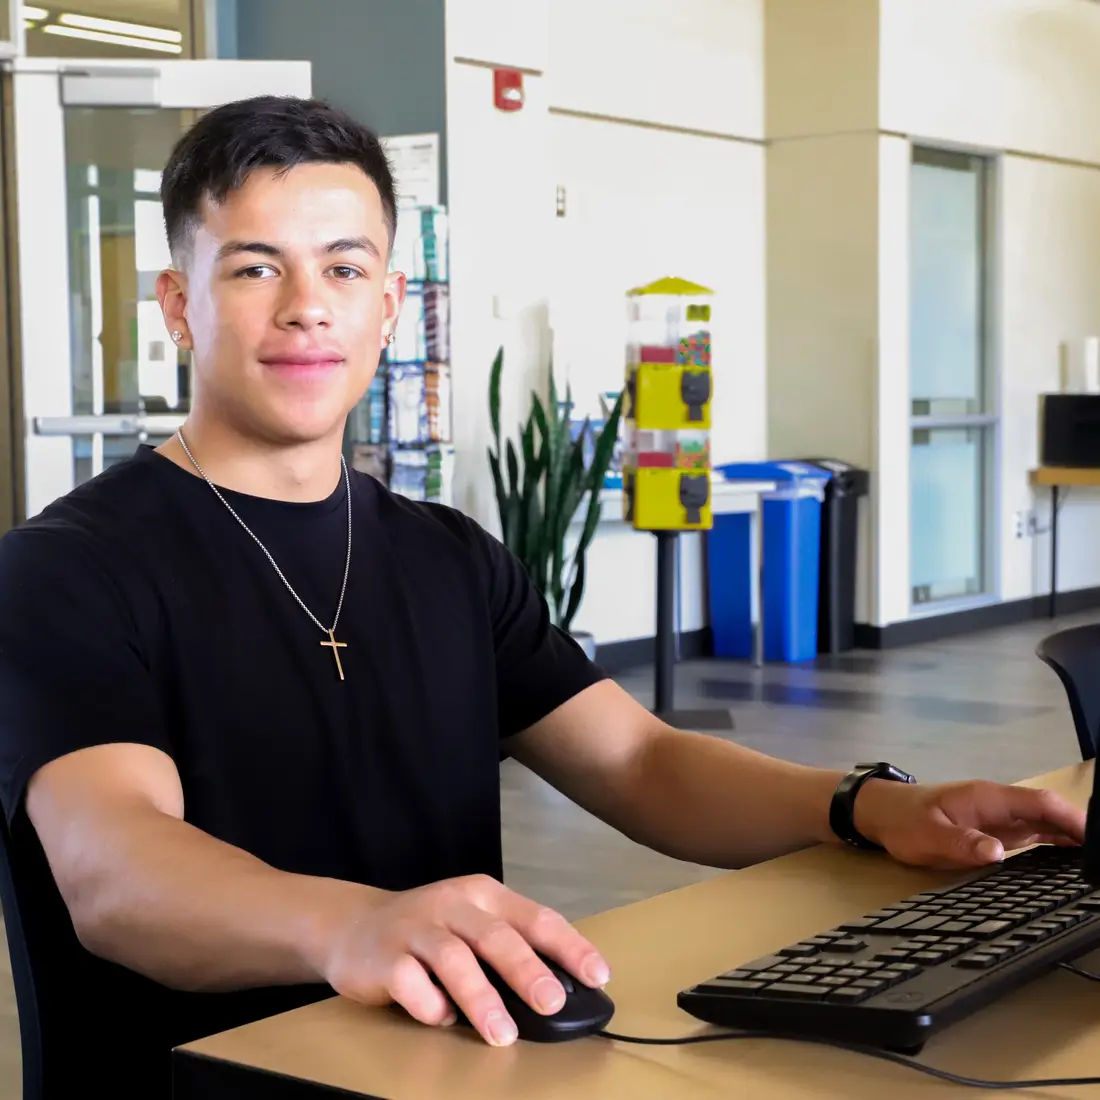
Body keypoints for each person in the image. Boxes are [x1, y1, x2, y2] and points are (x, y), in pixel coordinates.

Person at [0, 96, 1084, 1094]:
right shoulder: (67, 568)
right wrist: (355, 926)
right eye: (252, 269)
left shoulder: (447, 556)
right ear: (179, 305)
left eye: (341, 268)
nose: (304, 309)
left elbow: (639, 760)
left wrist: (864, 805)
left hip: (461, 1062)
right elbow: (116, 867)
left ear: (387, 306)